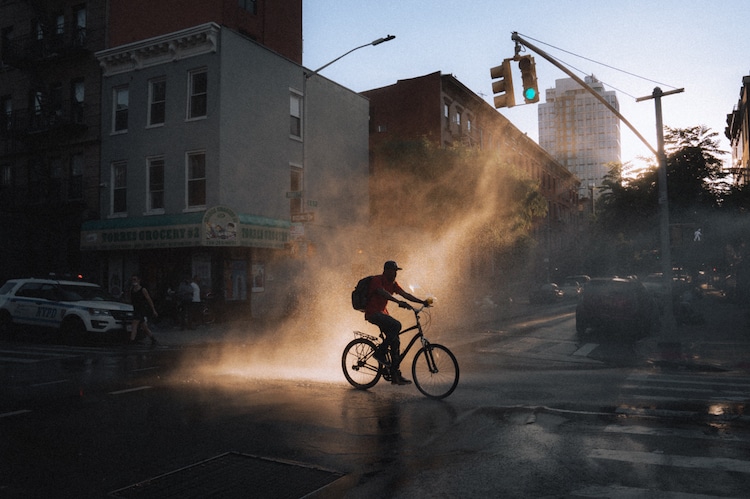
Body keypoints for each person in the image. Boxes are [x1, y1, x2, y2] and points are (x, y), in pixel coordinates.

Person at [364, 261, 430, 385]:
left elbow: (405, 294)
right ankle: (379, 353)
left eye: (396, 271)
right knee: (397, 325)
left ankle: (395, 375)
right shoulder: (377, 280)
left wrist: (422, 302)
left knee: (395, 341)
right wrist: (397, 301)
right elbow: (383, 293)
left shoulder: (393, 284)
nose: (395, 274)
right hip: (373, 313)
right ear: (386, 270)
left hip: (383, 314)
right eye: (393, 271)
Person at [129, 275, 159, 346]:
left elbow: (149, 299)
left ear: (139, 280)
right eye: (133, 280)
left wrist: (153, 310)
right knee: (144, 326)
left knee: (134, 324)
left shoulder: (143, 290)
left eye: (135, 279)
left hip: (141, 309)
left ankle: (132, 341)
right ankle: (153, 339)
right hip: (135, 309)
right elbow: (131, 299)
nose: (134, 281)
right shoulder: (132, 289)